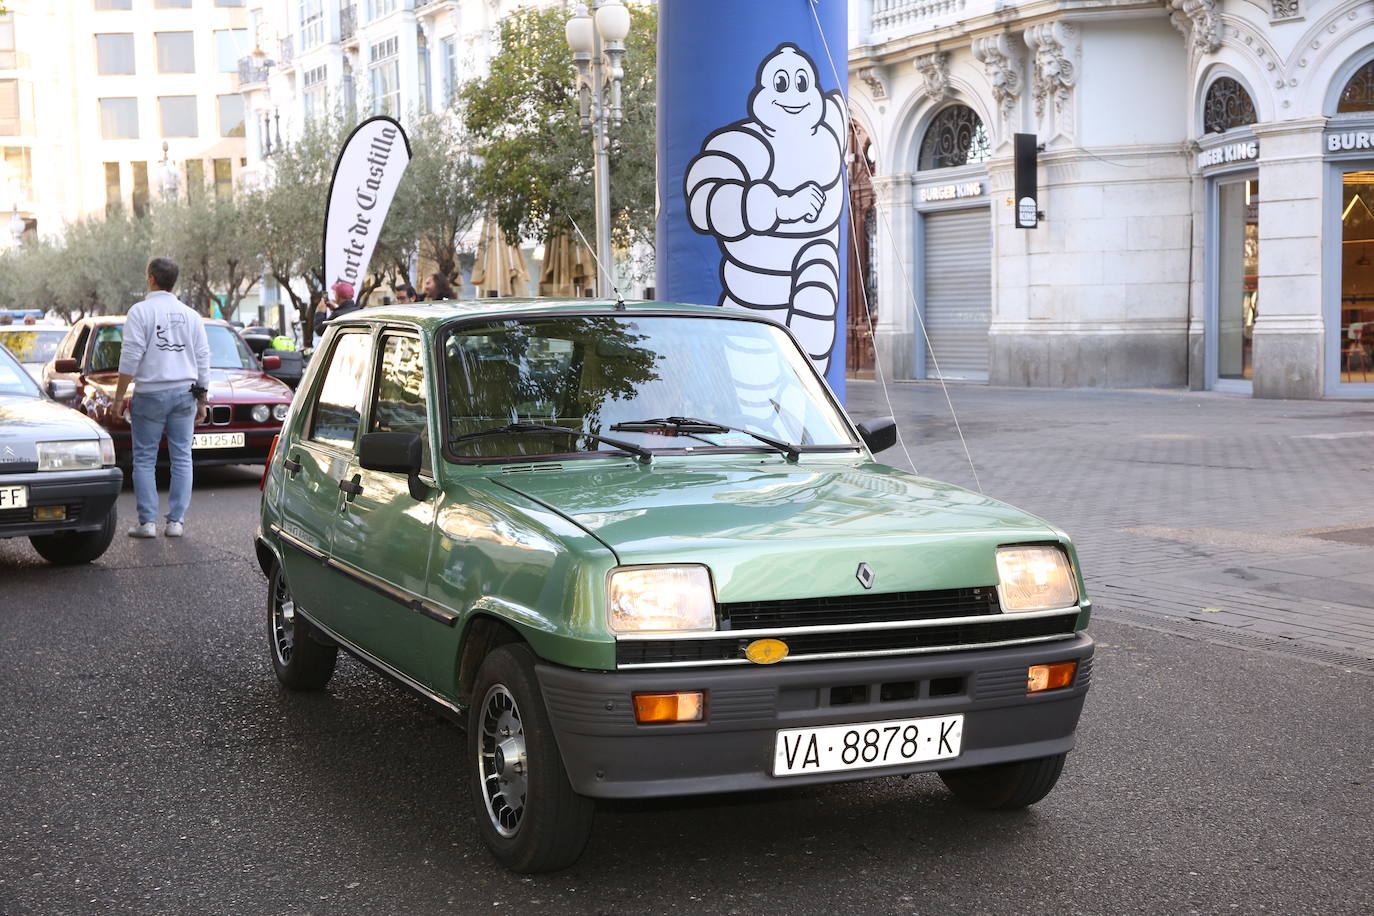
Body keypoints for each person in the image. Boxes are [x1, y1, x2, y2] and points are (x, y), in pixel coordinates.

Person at [113, 257, 210, 539]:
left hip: (150, 394)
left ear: (151, 278)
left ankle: (147, 524)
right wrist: (202, 398)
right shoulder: (191, 315)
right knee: (182, 457)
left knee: (144, 458)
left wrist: (119, 398)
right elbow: (203, 357)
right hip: (184, 394)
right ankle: (176, 522)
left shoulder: (140, 312)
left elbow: (130, 357)